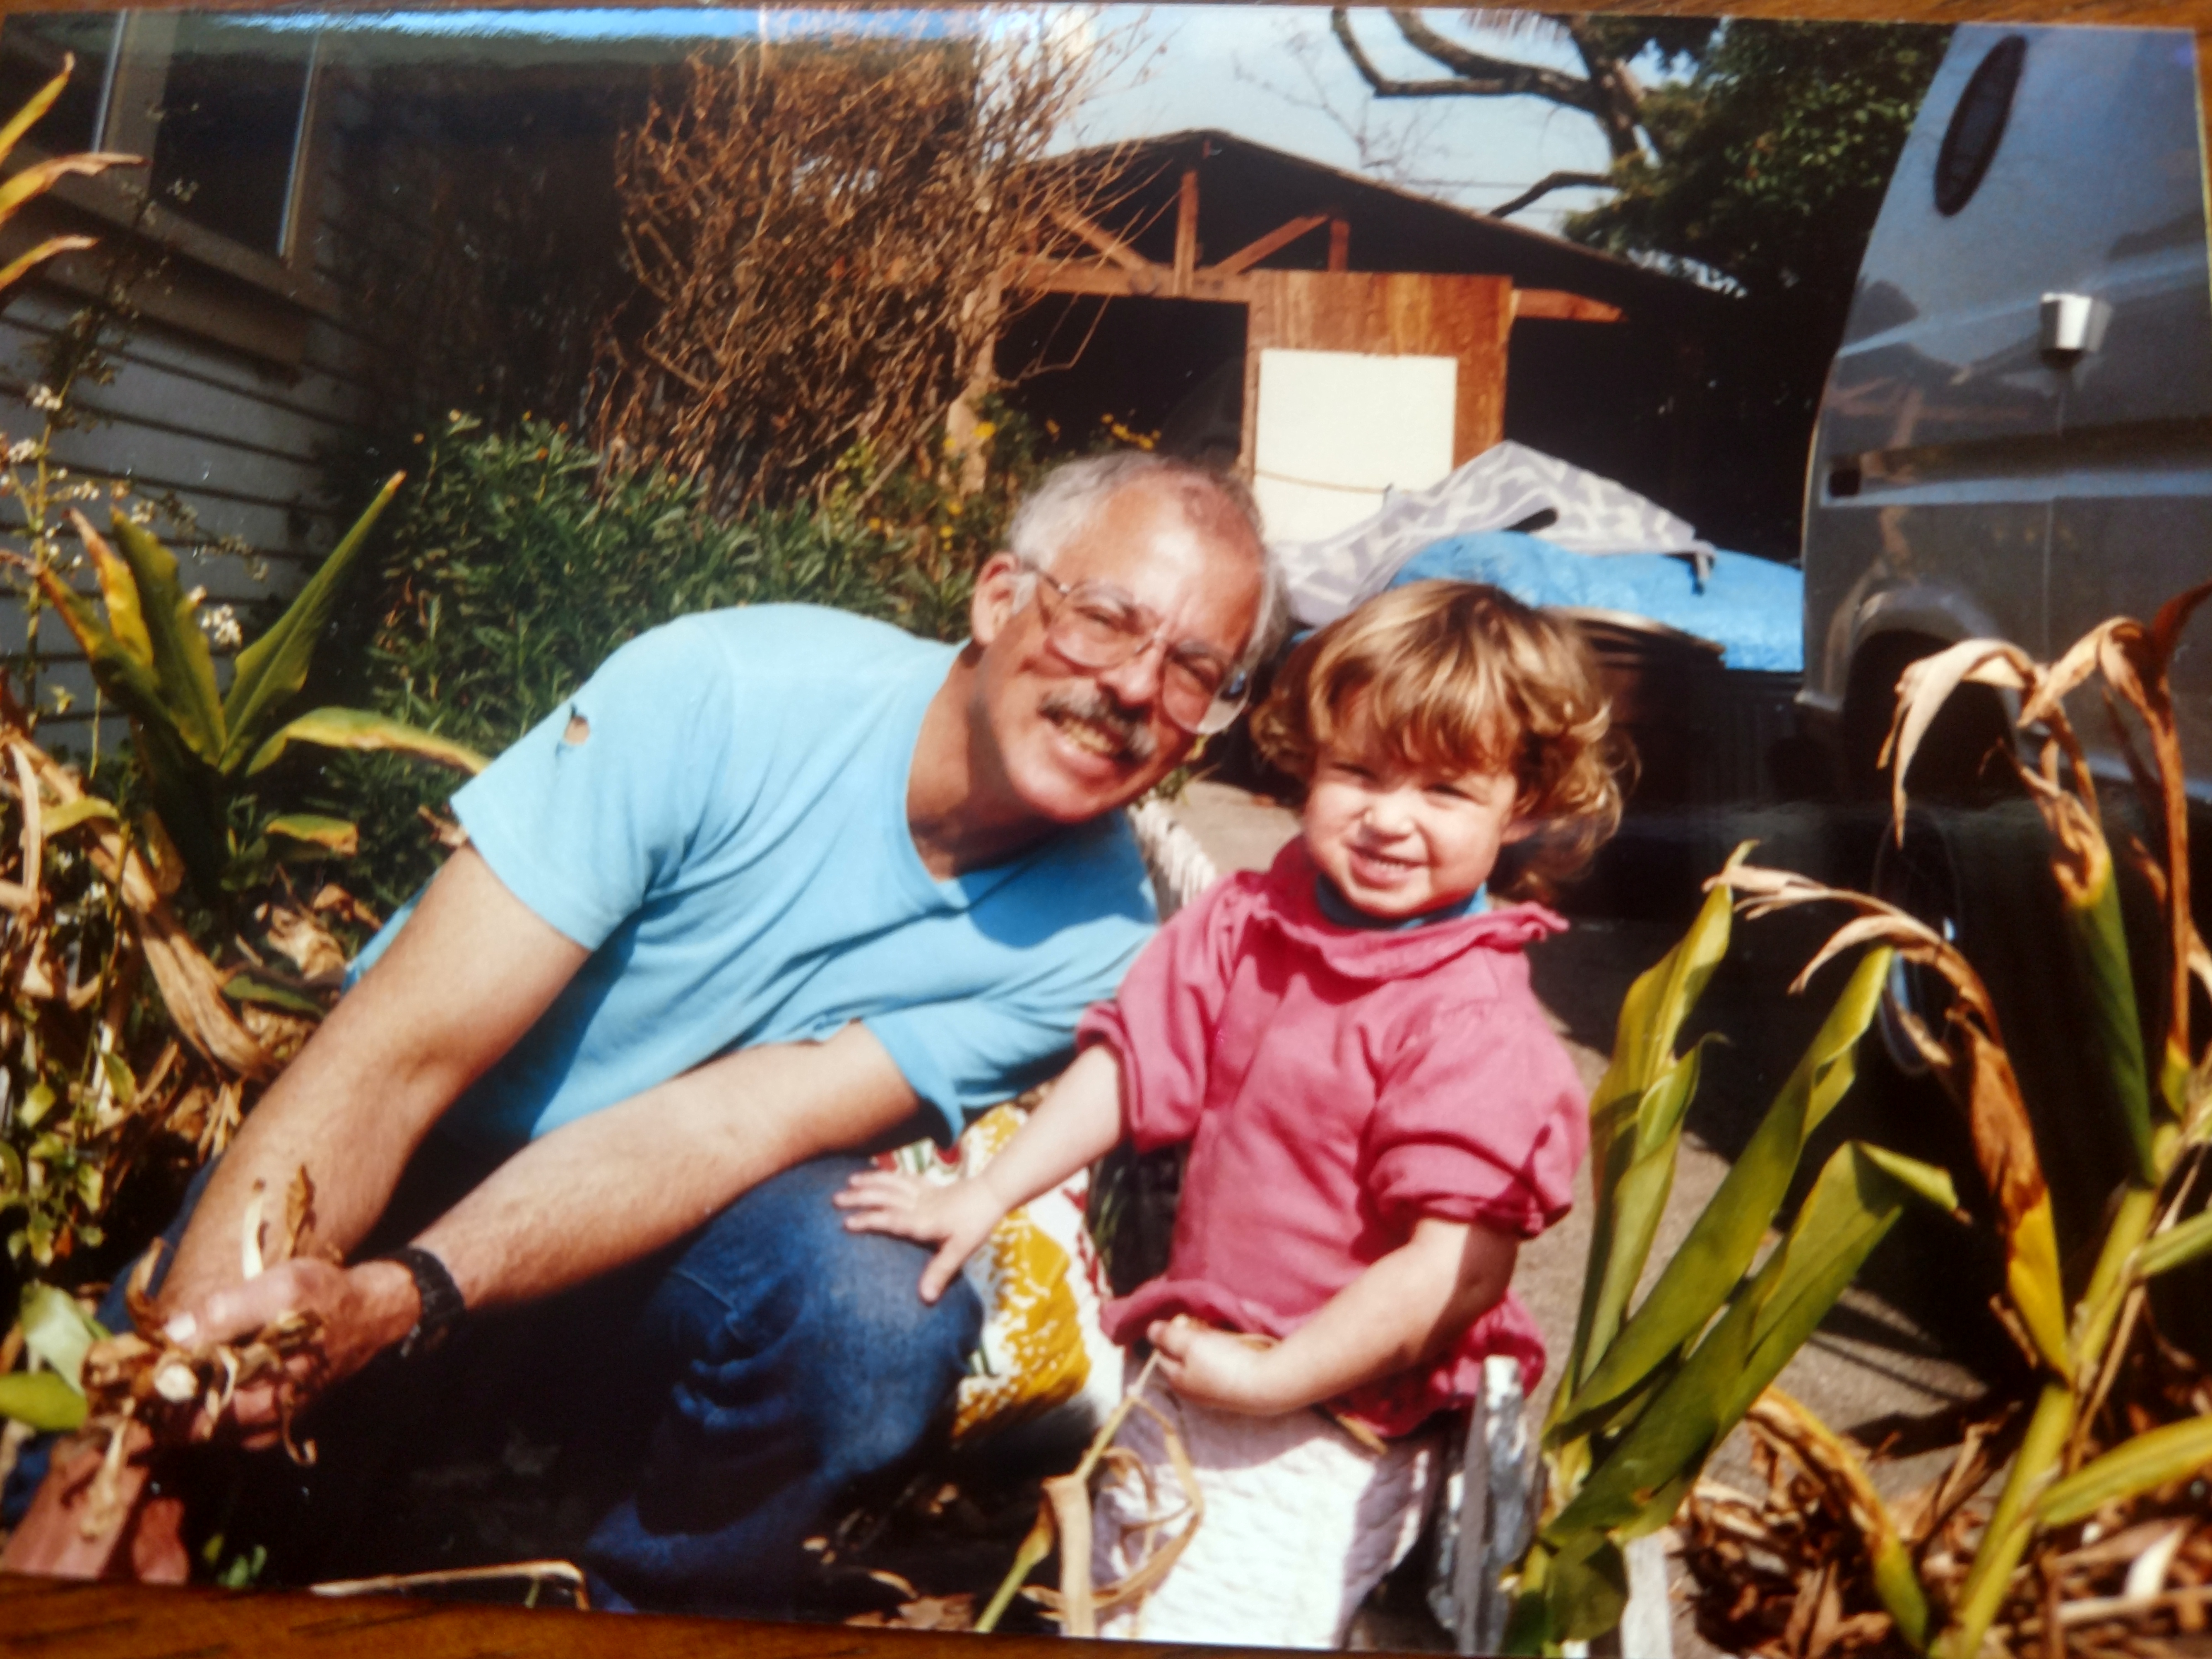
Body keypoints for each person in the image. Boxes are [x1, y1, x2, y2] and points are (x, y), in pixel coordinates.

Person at [2, 452, 1279, 1615]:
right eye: (1104, 617)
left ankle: (644, 1604)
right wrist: (135, 1445)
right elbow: (392, 1059)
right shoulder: (729, 694)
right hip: (404, 1167)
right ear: (1000, 599)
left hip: (652, 1242)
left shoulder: (1092, 944)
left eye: (1193, 671)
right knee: (72, 1537)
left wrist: (404, 1305)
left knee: (877, 1317)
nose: (1132, 687)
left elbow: (722, 1128)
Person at [839, 580, 1621, 1647]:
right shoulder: (1256, 920)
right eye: (1359, 773)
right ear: (1310, 761)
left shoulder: (1469, 1019)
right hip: (1202, 1361)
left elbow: (1457, 1269)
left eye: (1445, 791)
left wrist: (1274, 1379)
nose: (1390, 818)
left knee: (1221, 1617)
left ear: (1523, 805)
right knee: (1121, 1593)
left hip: (1333, 1413)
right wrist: (984, 1194)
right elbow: (1131, 1064)